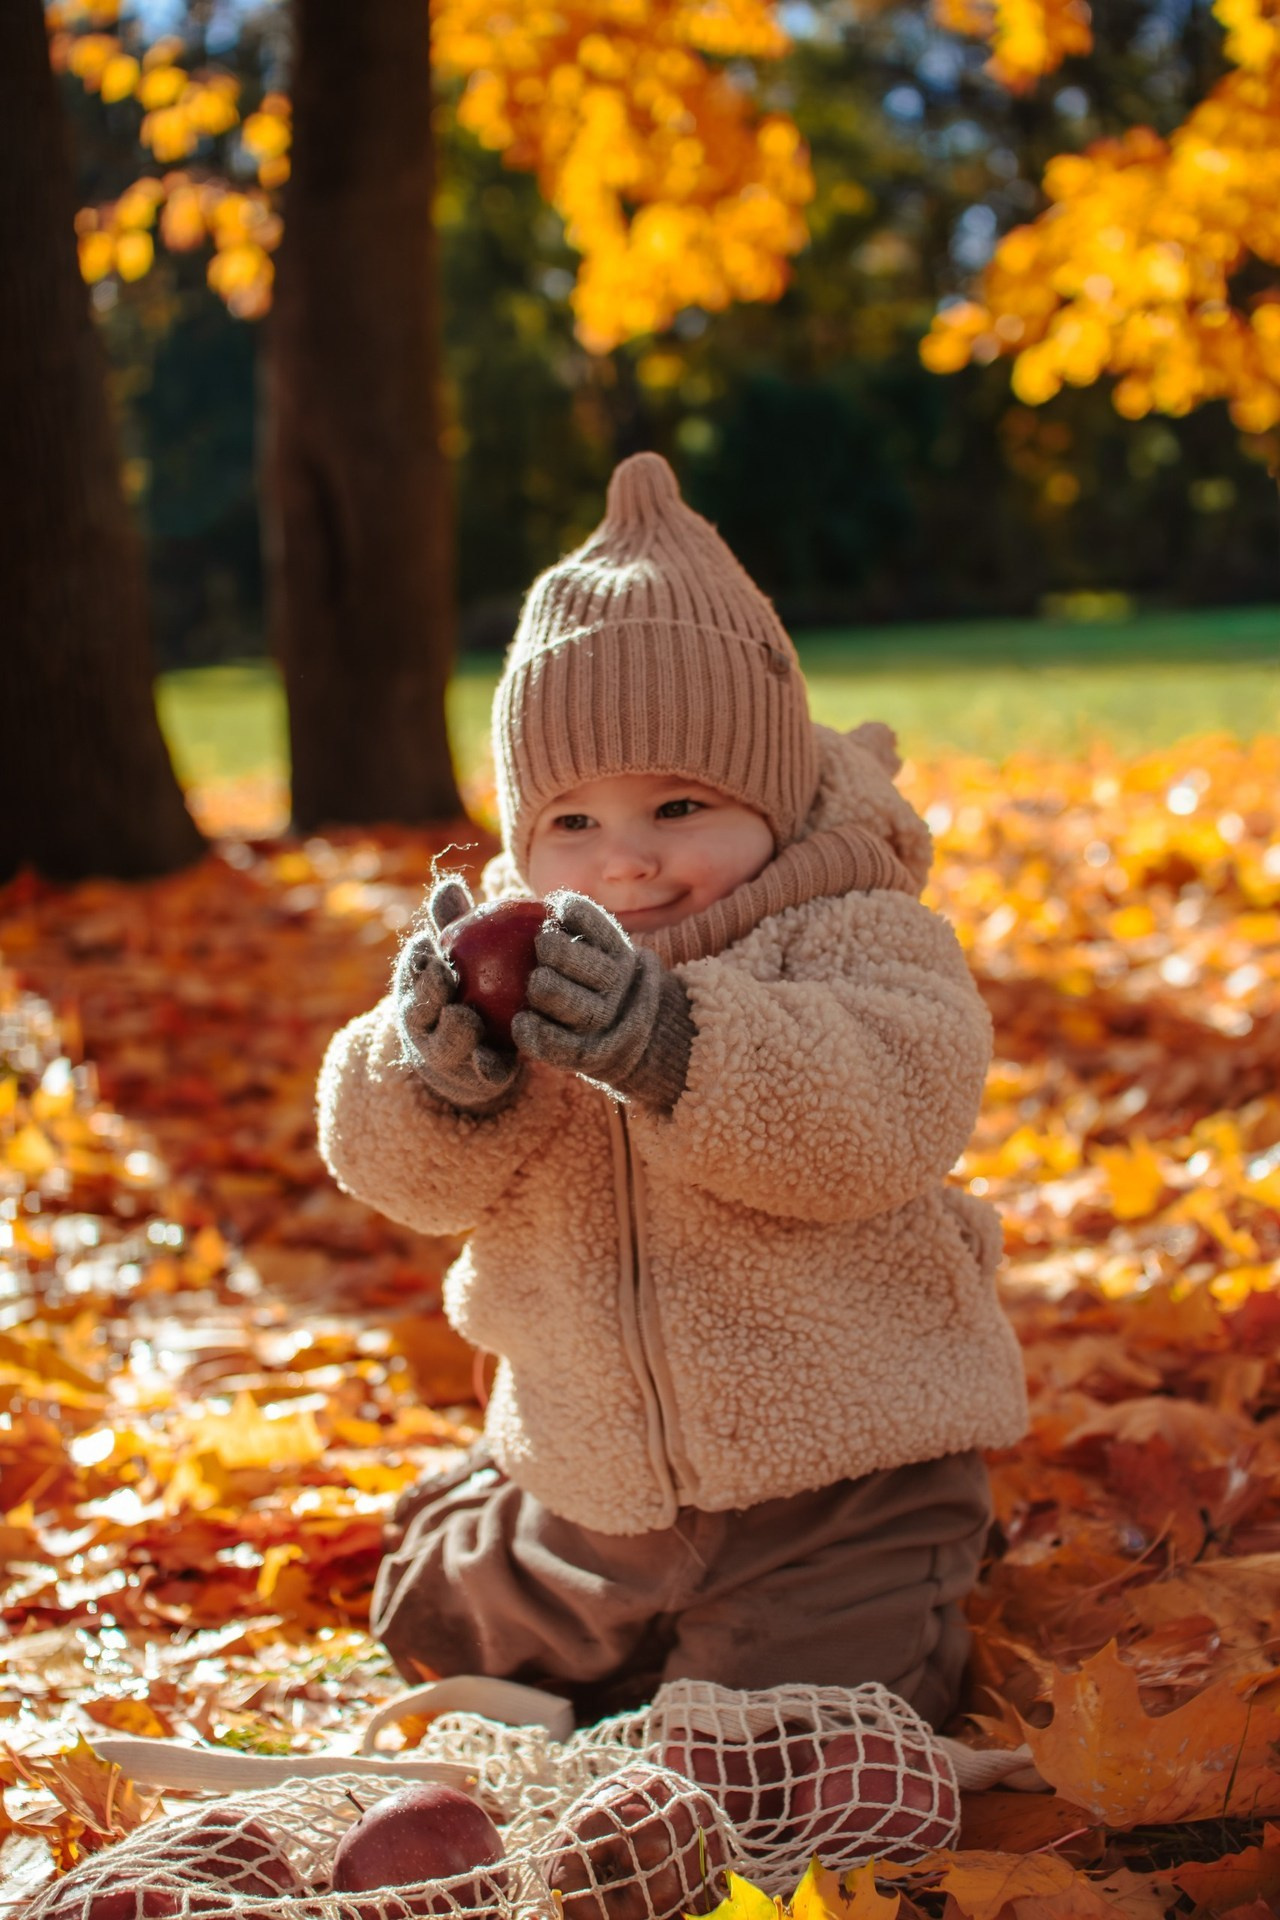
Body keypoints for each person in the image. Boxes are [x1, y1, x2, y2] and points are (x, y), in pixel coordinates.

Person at [316, 452, 1028, 1729]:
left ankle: (880, 1594)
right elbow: (397, 1177)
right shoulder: (512, 964)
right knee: (436, 1631)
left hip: (836, 1488)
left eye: (677, 804)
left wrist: (671, 1043)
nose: (625, 862)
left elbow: (890, 1107)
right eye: (572, 824)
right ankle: (501, 1522)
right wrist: (442, 1079)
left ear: (772, 798)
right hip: (597, 1484)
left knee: (791, 1743)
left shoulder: (850, 930)